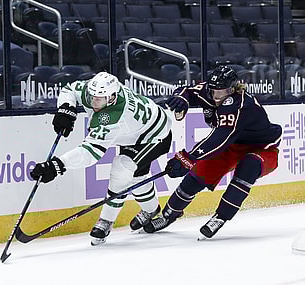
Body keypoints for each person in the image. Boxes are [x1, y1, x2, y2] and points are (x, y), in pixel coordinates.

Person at [30, 71, 173, 245]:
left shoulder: (114, 115)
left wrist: (57, 165)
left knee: (121, 169)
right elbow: (70, 89)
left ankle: (106, 221)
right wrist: (65, 109)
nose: (94, 102)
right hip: (136, 132)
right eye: (92, 97)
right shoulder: (95, 91)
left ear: (112, 98)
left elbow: (90, 152)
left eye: (100, 99)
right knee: (137, 176)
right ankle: (151, 210)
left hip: (155, 136)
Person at [143, 65, 282, 238]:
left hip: (262, 147)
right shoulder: (210, 91)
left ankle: (221, 216)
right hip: (232, 145)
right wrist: (182, 98)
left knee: (249, 166)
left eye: (221, 92)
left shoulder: (239, 104)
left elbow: (220, 137)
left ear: (232, 89)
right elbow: (188, 90)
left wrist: (189, 157)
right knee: (196, 177)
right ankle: (168, 215)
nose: (215, 96)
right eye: (213, 90)